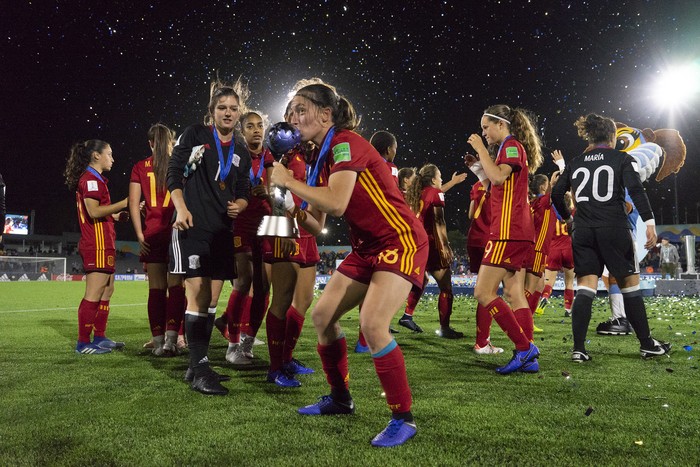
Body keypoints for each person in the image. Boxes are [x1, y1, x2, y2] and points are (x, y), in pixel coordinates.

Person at [270, 81, 428, 447]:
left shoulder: (345, 143)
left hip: (399, 239)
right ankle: (341, 398)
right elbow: (319, 222)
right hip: (368, 245)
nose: (292, 117)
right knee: (322, 317)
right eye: (289, 111)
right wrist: (292, 204)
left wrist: (289, 180)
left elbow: (337, 202)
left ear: (326, 114)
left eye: (300, 109)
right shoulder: (320, 156)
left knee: (373, 324)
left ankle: (403, 417)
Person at [551, 113, 670, 362]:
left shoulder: (576, 162)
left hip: (583, 231)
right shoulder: (621, 158)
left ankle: (579, 349)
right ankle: (647, 344)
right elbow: (636, 190)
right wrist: (650, 223)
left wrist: (568, 219)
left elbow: (557, 194)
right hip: (614, 228)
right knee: (630, 286)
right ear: (612, 137)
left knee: (585, 288)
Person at [167, 80, 252, 395]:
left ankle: (195, 364)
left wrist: (240, 204)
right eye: (222, 108)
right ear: (212, 112)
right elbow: (177, 171)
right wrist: (180, 208)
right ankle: (201, 366)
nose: (228, 113)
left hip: (221, 232)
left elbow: (243, 189)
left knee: (213, 299)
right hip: (193, 225)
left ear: (238, 112)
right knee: (198, 296)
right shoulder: (197, 136)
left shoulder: (241, 152)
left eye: (233, 109)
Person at [466, 104, 542, 374]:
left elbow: (498, 178)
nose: (483, 132)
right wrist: (479, 169)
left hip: (507, 232)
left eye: (486, 126)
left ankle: (524, 348)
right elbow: (494, 186)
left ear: (501, 124)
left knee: (483, 292)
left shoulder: (511, 146)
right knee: (514, 293)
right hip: (516, 231)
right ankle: (529, 358)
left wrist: (481, 151)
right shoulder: (508, 150)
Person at [213, 110, 274, 366]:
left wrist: (268, 192)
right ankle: (233, 345)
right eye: (250, 126)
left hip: (266, 224)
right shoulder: (235, 156)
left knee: (263, 287)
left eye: (260, 126)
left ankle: (248, 343)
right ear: (242, 130)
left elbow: (276, 193)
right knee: (244, 281)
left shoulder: (270, 157)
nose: (256, 130)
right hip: (241, 225)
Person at [63, 140, 128, 354]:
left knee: (107, 290)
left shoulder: (97, 179)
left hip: (105, 242)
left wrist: (116, 215)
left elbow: (100, 211)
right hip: (96, 244)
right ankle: (83, 343)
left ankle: (99, 337)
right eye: (109, 154)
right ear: (96, 156)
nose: (112, 158)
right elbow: (93, 212)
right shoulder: (90, 179)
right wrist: (126, 202)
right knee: (94, 292)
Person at [129, 123, 186, 357]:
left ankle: (158, 341)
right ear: (170, 142)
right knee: (176, 287)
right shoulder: (178, 164)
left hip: (151, 233)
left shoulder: (140, 167)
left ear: (150, 143)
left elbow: (133, 203)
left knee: (156, 289)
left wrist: (140, 234)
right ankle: (175, 339)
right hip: (176, 232)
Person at [399, 163, 462, 337]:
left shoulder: (413, 194)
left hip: (414, 245)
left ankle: (406, 315)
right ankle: (444, 328)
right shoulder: (435, 193)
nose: (441, 179)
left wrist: (452, 182)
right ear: (434, 180)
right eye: (440, 176)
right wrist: (445, 246)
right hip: (432, 245)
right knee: (446, 288)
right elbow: (439, 221)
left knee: (420, 280)